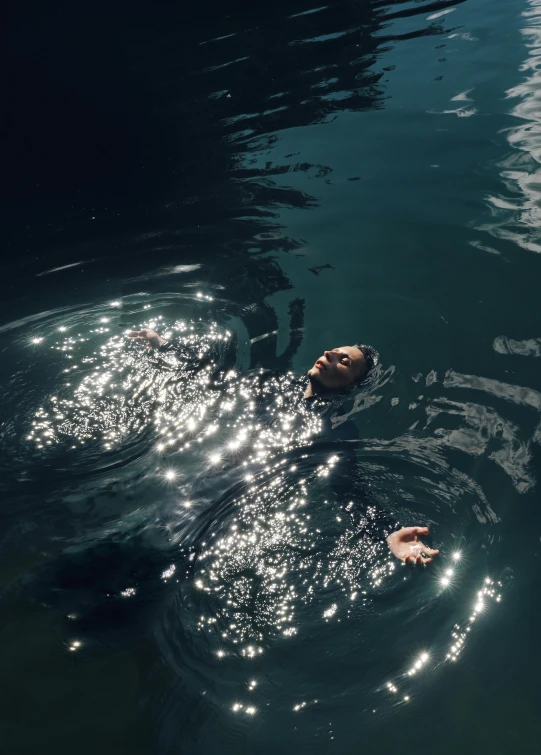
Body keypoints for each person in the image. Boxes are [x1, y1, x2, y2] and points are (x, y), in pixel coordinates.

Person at [128, 327, 440, 567]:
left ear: (351, 386)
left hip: (222, 517)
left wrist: (388, 532)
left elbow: (349, 487)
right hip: (190, 493)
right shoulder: (274, 386)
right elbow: (216, 380)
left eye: (344, 361)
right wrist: (164, 347)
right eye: (335, 351)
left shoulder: (338, 427)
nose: (332, 354)